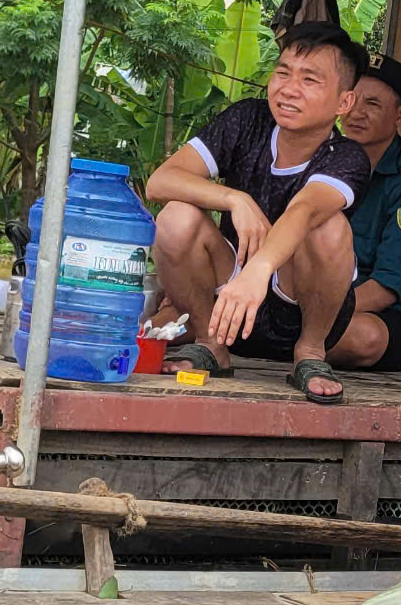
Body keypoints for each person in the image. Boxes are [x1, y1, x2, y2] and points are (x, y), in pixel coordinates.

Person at [146, 23, 370, 403]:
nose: (288, 88)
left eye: (310, 80)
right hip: (226, 299)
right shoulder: (248, 119)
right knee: (175, 216)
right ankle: (209, 345)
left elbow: (303, 211)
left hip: (295, 304)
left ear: (343, 103)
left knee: (328, 227)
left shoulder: (347, 157)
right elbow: (161, 181)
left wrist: (258, 271)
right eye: (283, 72)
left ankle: (310, 355)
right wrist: (236, 199)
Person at [330, 56, 401, 371]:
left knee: (363, 337)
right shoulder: (323, 164)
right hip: (316, 306)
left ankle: (286, 340)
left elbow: (383, 291)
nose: (356, 112)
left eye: (373, 104)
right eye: (351, 99)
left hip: (388, 318)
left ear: (400, 115)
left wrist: (313, 315)